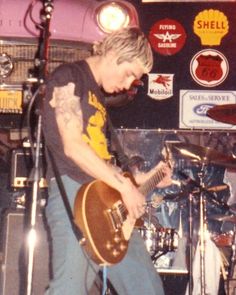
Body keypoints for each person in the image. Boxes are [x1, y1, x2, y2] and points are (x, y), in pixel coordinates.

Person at [42, 26, 172, 295]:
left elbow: (103, 161)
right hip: (74, 193)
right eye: (129, 74)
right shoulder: (69, 77)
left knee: (146, 287)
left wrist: (150, 180)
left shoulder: (98, 97)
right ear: (114, 54)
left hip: (108, 200)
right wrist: (125, 188)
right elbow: (74, 147)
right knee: (69, 289)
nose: (127, 85)